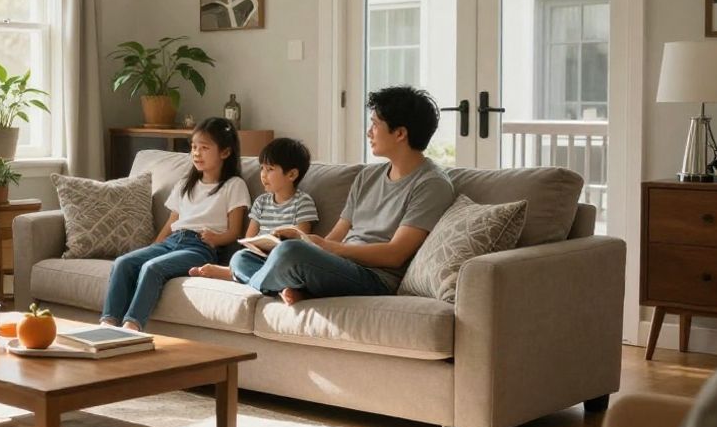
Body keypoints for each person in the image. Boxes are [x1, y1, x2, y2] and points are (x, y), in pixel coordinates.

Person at [238, 85, 456, 305]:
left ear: (400, 133)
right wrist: (309, 243)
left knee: (289, 254)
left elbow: (395, 254)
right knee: (243, 258)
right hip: (338, 266)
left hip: (375, 278)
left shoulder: (432, 184)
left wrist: (323, 247)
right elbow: (339, 233)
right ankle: (288, 287)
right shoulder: (368, 176)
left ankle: (273, 283)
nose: (369, 132)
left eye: (375, 124)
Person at [100, 117, 250, 331]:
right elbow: (171, 223)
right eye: (194, 147)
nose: (196, 153)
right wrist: (153, 247)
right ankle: (107, 324)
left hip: (200, 247)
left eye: (204, 148)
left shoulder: (234, 185)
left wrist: (216, 238)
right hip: (172, 242)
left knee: (152, 268)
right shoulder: (184, 184)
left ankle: (131, 327)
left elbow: (235, 232)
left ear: (225, 152)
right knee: (123, 263)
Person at [189, 137, 318, 283]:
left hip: (283, 260)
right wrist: (258, 246)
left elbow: (301, 242)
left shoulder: (303, 202)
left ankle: (235, 275)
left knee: (286, 261)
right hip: (258, 257)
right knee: (240, 257)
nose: (263, 174)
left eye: (270, 169)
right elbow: (248, 239)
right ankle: (262, 280)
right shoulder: (261, 202)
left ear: (292, 175)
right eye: (262, 168)